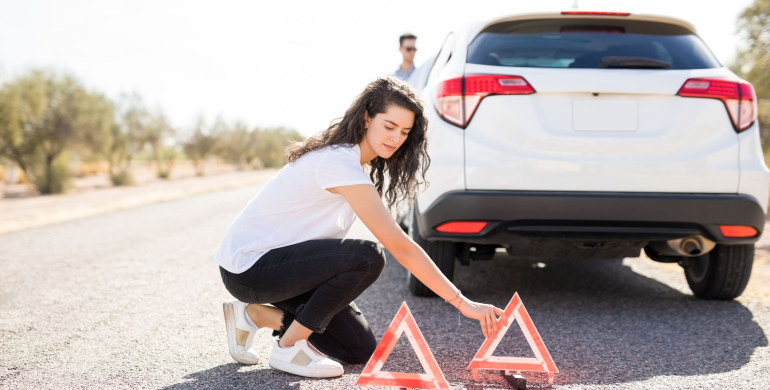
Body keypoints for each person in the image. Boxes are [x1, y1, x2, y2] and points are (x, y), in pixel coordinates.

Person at [215, 76, 504, 379]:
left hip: (283, 268)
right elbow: (400, 246)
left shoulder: (354, 163)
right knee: (368, 256)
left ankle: (254, 314)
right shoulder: (338, 162)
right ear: (367, 118)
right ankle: (288, 347)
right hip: (250, 268)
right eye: (389, 126)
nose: (395, 138)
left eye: (404, 132)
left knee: (357, 349)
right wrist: (462, 302)